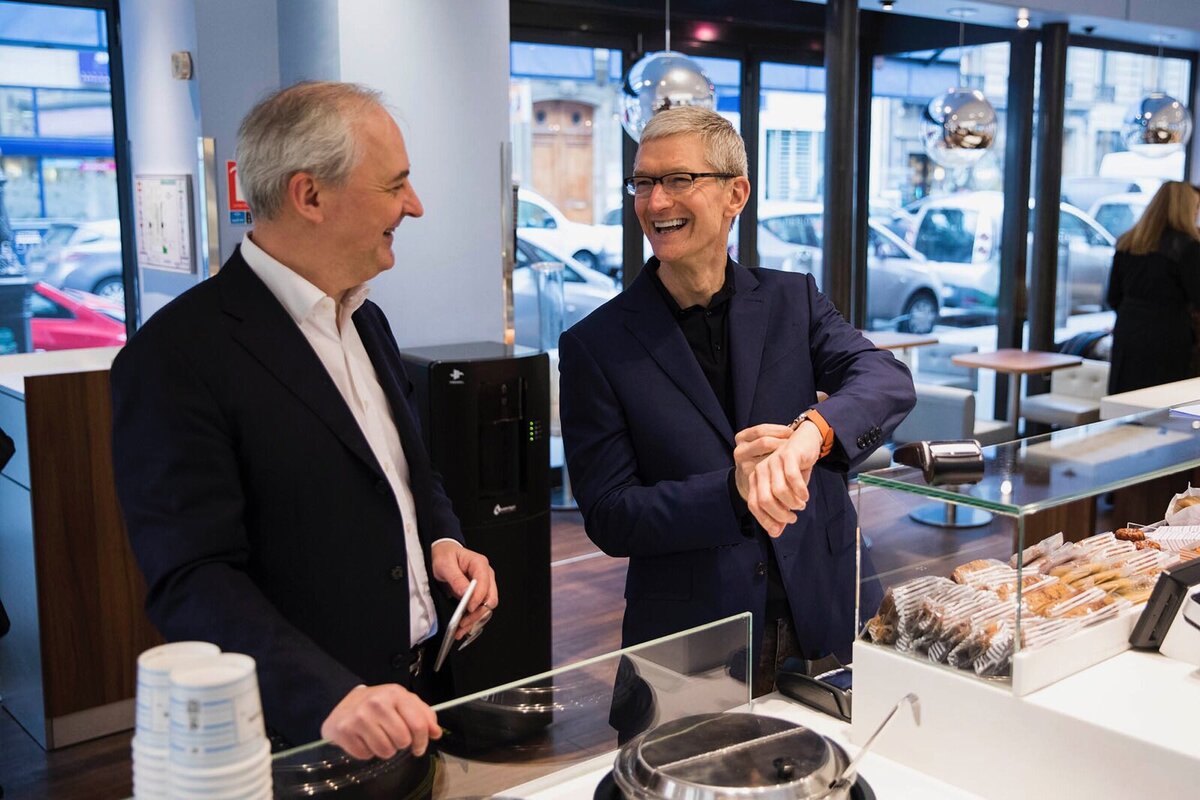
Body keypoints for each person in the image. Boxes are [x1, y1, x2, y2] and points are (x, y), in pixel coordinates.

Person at [111, 81, 497, 759]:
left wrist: (442, 542)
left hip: (417, 703)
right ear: (309, 195)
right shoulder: (175, 356)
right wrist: (327, 696)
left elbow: (406, 476)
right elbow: (192, 577)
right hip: (294, 734)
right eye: (395, 185)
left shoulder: (366, 319)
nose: (415, 205)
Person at [558, 107, 914, 695]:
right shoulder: (596, 344)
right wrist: (733, 489)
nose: (655, 202)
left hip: (826, 611)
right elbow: (610, 515)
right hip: (693, 639)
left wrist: (812, 432)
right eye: (643, 183)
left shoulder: (791, 299)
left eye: (678, 180)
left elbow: (885, 377)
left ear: (735, 193)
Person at [1106, 180, 1200, 394]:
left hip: (1128, 331)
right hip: (1167, 334)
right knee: (1160, 405)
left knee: (1125, 401)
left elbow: (1113, 296)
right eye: (1196, 207)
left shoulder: (1127, 243)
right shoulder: (1188, 247)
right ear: (1185, 208)